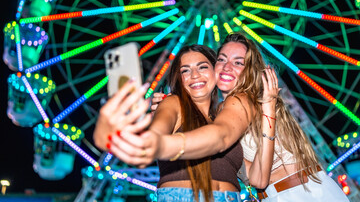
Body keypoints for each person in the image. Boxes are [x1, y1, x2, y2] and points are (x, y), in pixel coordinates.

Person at [105, 33, 349, 202]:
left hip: (305, 192)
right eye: (221, 60)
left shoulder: (243, 99)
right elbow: (256, 178)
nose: (227, 67)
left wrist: (160, 142)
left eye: (238, 62)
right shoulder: (219, 114)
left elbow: (221, 138)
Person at [95, 44, 244, 202]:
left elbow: (256, 178)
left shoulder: (227, 117)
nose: (194, 75)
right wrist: (134, 139)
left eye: (202, 67)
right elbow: (157, 132)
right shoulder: (173, 103)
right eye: (185, 70)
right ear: (179, 79)